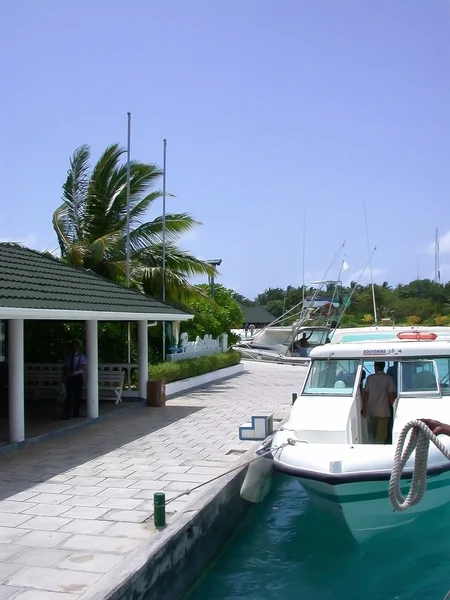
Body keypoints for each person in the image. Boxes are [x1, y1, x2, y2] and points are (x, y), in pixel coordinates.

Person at [361, 361, 396, 444]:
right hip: (383, 411)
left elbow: (366, 394)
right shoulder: (389, 379)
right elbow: (391, 396)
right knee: (381, 435)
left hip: (371, 410)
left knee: (373, 433)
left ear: (375, 366)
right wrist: (396, 410)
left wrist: (364, 409)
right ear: (384, 366)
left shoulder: (370, 378)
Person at [62, 340, 87, 420]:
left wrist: (75, 372)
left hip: (78, 377)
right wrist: (66, 374)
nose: (74, 347)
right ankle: (67, 413)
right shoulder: (68, 356)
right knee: (69, 396)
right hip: (69, 377)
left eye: (75, 346)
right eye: (73, 345)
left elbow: (83, 366)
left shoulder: (81, 356)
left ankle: (76, 412)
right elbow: (65, 367)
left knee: (78, 396)